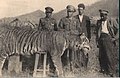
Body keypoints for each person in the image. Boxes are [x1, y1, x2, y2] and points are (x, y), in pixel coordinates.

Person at [58, 5, 81, 75]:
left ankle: (72, 68)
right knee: (64, 54)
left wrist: (73, 32)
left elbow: (79, 30)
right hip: (64, 40)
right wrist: (65, 32)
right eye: (68, 12)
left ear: (73, 12)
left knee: (72, 54)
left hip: (73, 41)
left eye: (70, 12)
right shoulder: (63, 20)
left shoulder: (76, 20)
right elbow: (59, 29)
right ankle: (64, 67)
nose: (69, 13)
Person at [96, 9, 119, 77]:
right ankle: (103, 69)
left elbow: (118, 29)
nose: (102, 17)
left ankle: (111, 71)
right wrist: (97, 41)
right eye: (101, 16)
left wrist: (115, 38)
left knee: (109, 56)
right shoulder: (99, 22)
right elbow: (97, 32)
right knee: (101, 55)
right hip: (101, 39)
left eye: (103, 16)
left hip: (108, 39)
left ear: (106, 15)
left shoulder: (111, 20)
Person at [38, 7, 58, 77]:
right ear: (45, 13)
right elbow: (39, 31)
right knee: (42, 54)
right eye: (47, 13)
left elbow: (56, 31)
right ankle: (42, 67)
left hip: (52, 41)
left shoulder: (54, 21)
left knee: (52, 54)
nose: (48, 14)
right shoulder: (42, 20)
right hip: (43, 40)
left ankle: (51, 69)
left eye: (50, 13)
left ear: (51, 13)